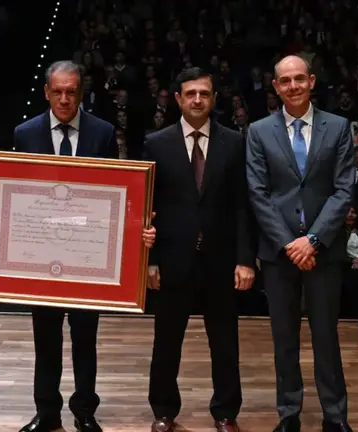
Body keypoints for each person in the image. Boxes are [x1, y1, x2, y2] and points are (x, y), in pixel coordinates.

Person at [0, 60, 156, 432]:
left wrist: (135, 232)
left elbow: (116, 194)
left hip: (88, 253)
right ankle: (47, 411)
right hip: (42, 254)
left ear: (80, 93)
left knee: (86, 338)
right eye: (58, 91)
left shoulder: (102, 131)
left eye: (72, 91)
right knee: (45, 338)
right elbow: (15, 191)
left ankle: (85, 410)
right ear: (47, 92)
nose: (65, 98)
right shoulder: (25, 132)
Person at [245, 55, 355, 432]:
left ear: (311, 81)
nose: (292, 86)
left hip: (323, 250)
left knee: (326, 337)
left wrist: (312, 241)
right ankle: (288, 414)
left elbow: (343, 190)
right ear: (275, 87)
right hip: (279, 254)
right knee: (283, 339)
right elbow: (258, 193)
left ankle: (335, 416)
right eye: (284, 81)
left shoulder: (339, 127)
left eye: (299, 79)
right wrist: (291, 244)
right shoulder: (258, 131)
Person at [143, 67, 255, 432]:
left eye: (203, 94)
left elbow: (243, 205)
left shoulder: (234, 142)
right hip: (173, 260)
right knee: (166, 342)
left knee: (225, 343)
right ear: (177, 98)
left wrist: (244, 258)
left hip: (221, 261)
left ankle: (225, 412)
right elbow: (148, 208)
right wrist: (151, 261)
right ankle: (163, 411)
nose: (196, 100)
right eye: (190, 93)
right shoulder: (156, 143)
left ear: (213, 99)